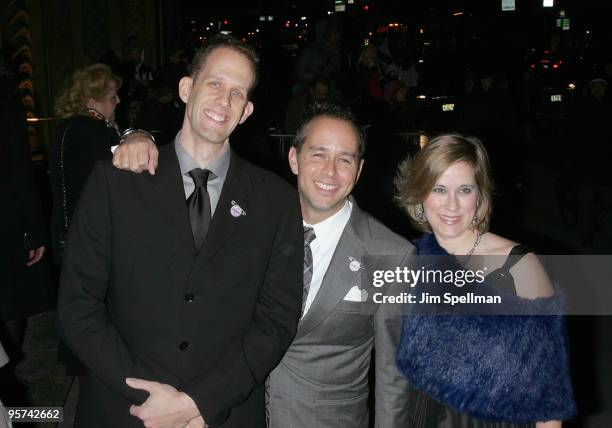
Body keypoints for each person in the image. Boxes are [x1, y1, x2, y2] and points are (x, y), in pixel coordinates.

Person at [113, 103, 415, 427]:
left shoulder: (388, 254)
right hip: (232, 413)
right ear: (294, 159)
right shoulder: (247, 220)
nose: (330, 171)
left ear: (359, 170)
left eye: (345, 159)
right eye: (318, 154)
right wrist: (136, 137)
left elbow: (395, 376)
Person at [58, 36, 303, 428]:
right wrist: (149, 396)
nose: (224, 100)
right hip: (123, 409)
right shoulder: (116, 183)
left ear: (247, 111)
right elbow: (77, 308)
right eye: (215, 83)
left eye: (237, 92)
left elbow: (276, 321)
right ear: (187, 88)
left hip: (223, 413)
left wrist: (198, 403)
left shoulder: (275, 201)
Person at [394, 134, 576, 427]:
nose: (451, 204)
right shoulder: (413, 257)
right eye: (439, 189)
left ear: (480, 197)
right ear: (419, 195)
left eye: (464, 189)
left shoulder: (519, 266)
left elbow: (549, 402)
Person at [50, 63, 122, 264]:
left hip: (65, 232)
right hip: (92, 237)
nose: (118, 101)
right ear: (93, 102)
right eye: (112, 97)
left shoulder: (64, 129)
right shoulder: (98, 132)